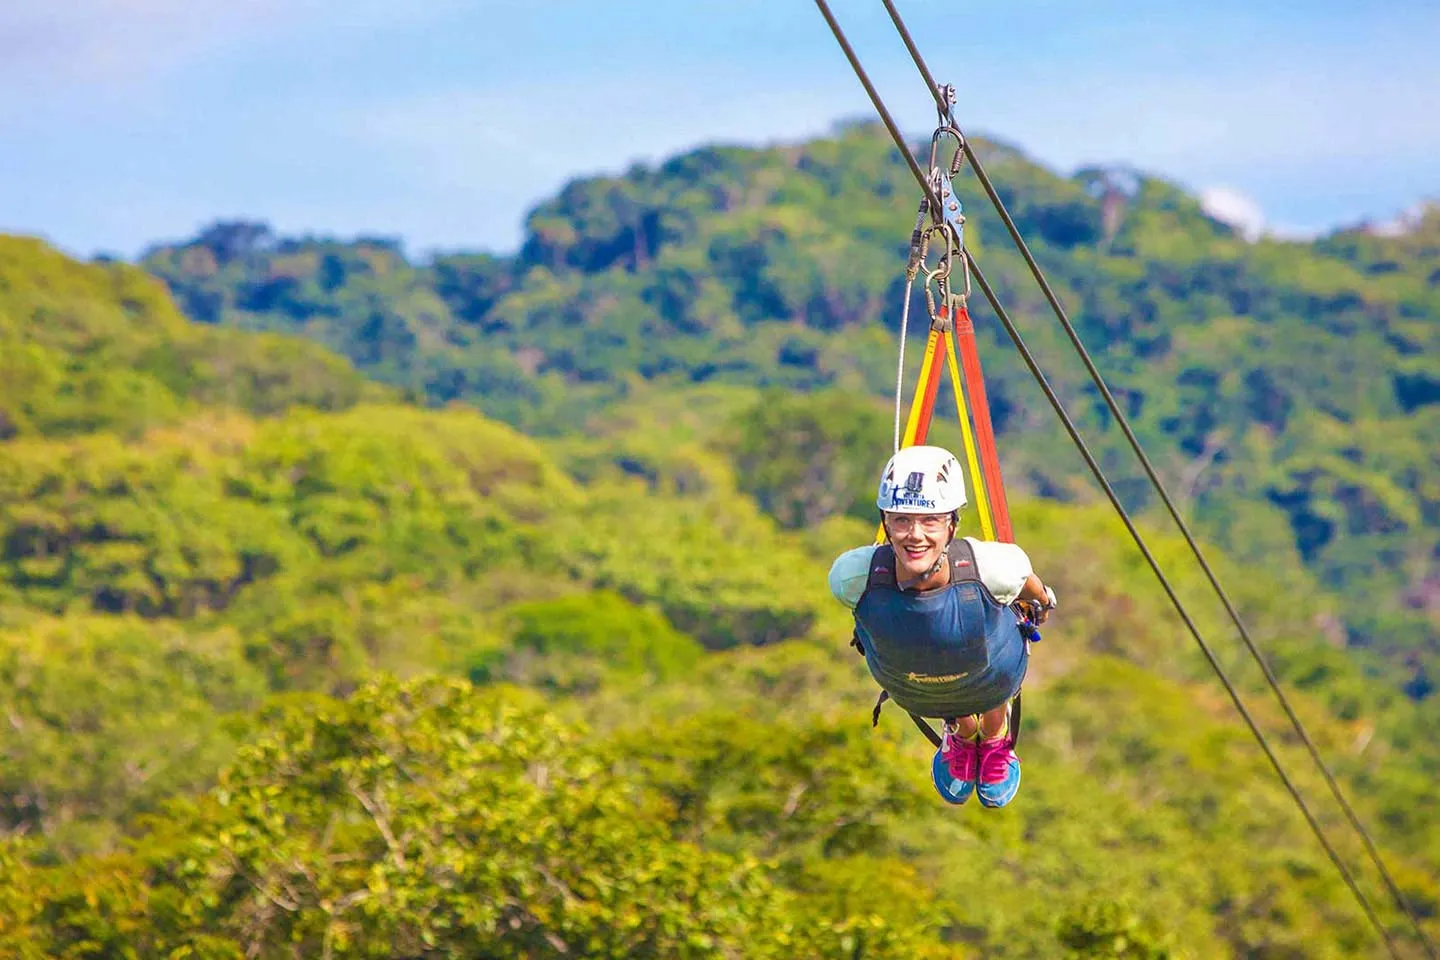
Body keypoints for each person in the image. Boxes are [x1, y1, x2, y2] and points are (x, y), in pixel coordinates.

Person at [828, 445, 1056, 808]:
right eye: (901, 521)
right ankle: (965, 732)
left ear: (952, 524)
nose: (914, 535)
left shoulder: (991, 567)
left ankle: (994, 733)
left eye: (929, 521)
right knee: (934, 646)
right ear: (886, 523)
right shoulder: (854, 576)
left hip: (992, 676)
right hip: (917, 687)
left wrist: (1042, 601)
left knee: (984, 628)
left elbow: (1029, 584)